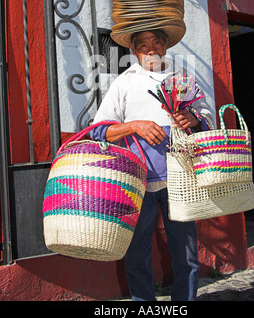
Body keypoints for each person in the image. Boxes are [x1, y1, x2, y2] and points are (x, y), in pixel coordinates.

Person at [90, 29, 214, 301]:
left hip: (180, 181)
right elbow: (98, 131)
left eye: (156, 42)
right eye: (143, 45)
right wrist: (135, 125)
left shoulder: (182, 78)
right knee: (136, 256)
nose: (151, 49)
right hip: (137, 182)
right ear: (134, 51)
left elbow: (207, 120)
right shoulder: (125, 82)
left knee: (187, 256)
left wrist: (192, 119)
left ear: (166, 44)